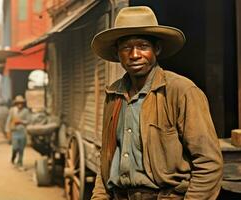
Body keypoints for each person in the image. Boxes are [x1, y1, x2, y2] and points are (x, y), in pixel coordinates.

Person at [90, 6, 223, 200]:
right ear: (117, 53)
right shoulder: (114, 94)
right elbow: (107, 157)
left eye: (143, 46)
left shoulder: (181, 91)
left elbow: (209, 163)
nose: (134, 54)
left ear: (157, 49)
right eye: (126, 47)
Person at [5, 95, 30, 170]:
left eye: (21, 103)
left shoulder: (26, 111)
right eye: (18, 103)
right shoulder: (12, 110)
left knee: (21, 148)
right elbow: (8, 120)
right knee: (15, 147)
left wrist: (21, 121)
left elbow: (29, 121)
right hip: (14, 132)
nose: (20, 104)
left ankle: (20, 162)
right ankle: (13, 157)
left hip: (22, 131)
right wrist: (7, 130)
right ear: (16, 103)